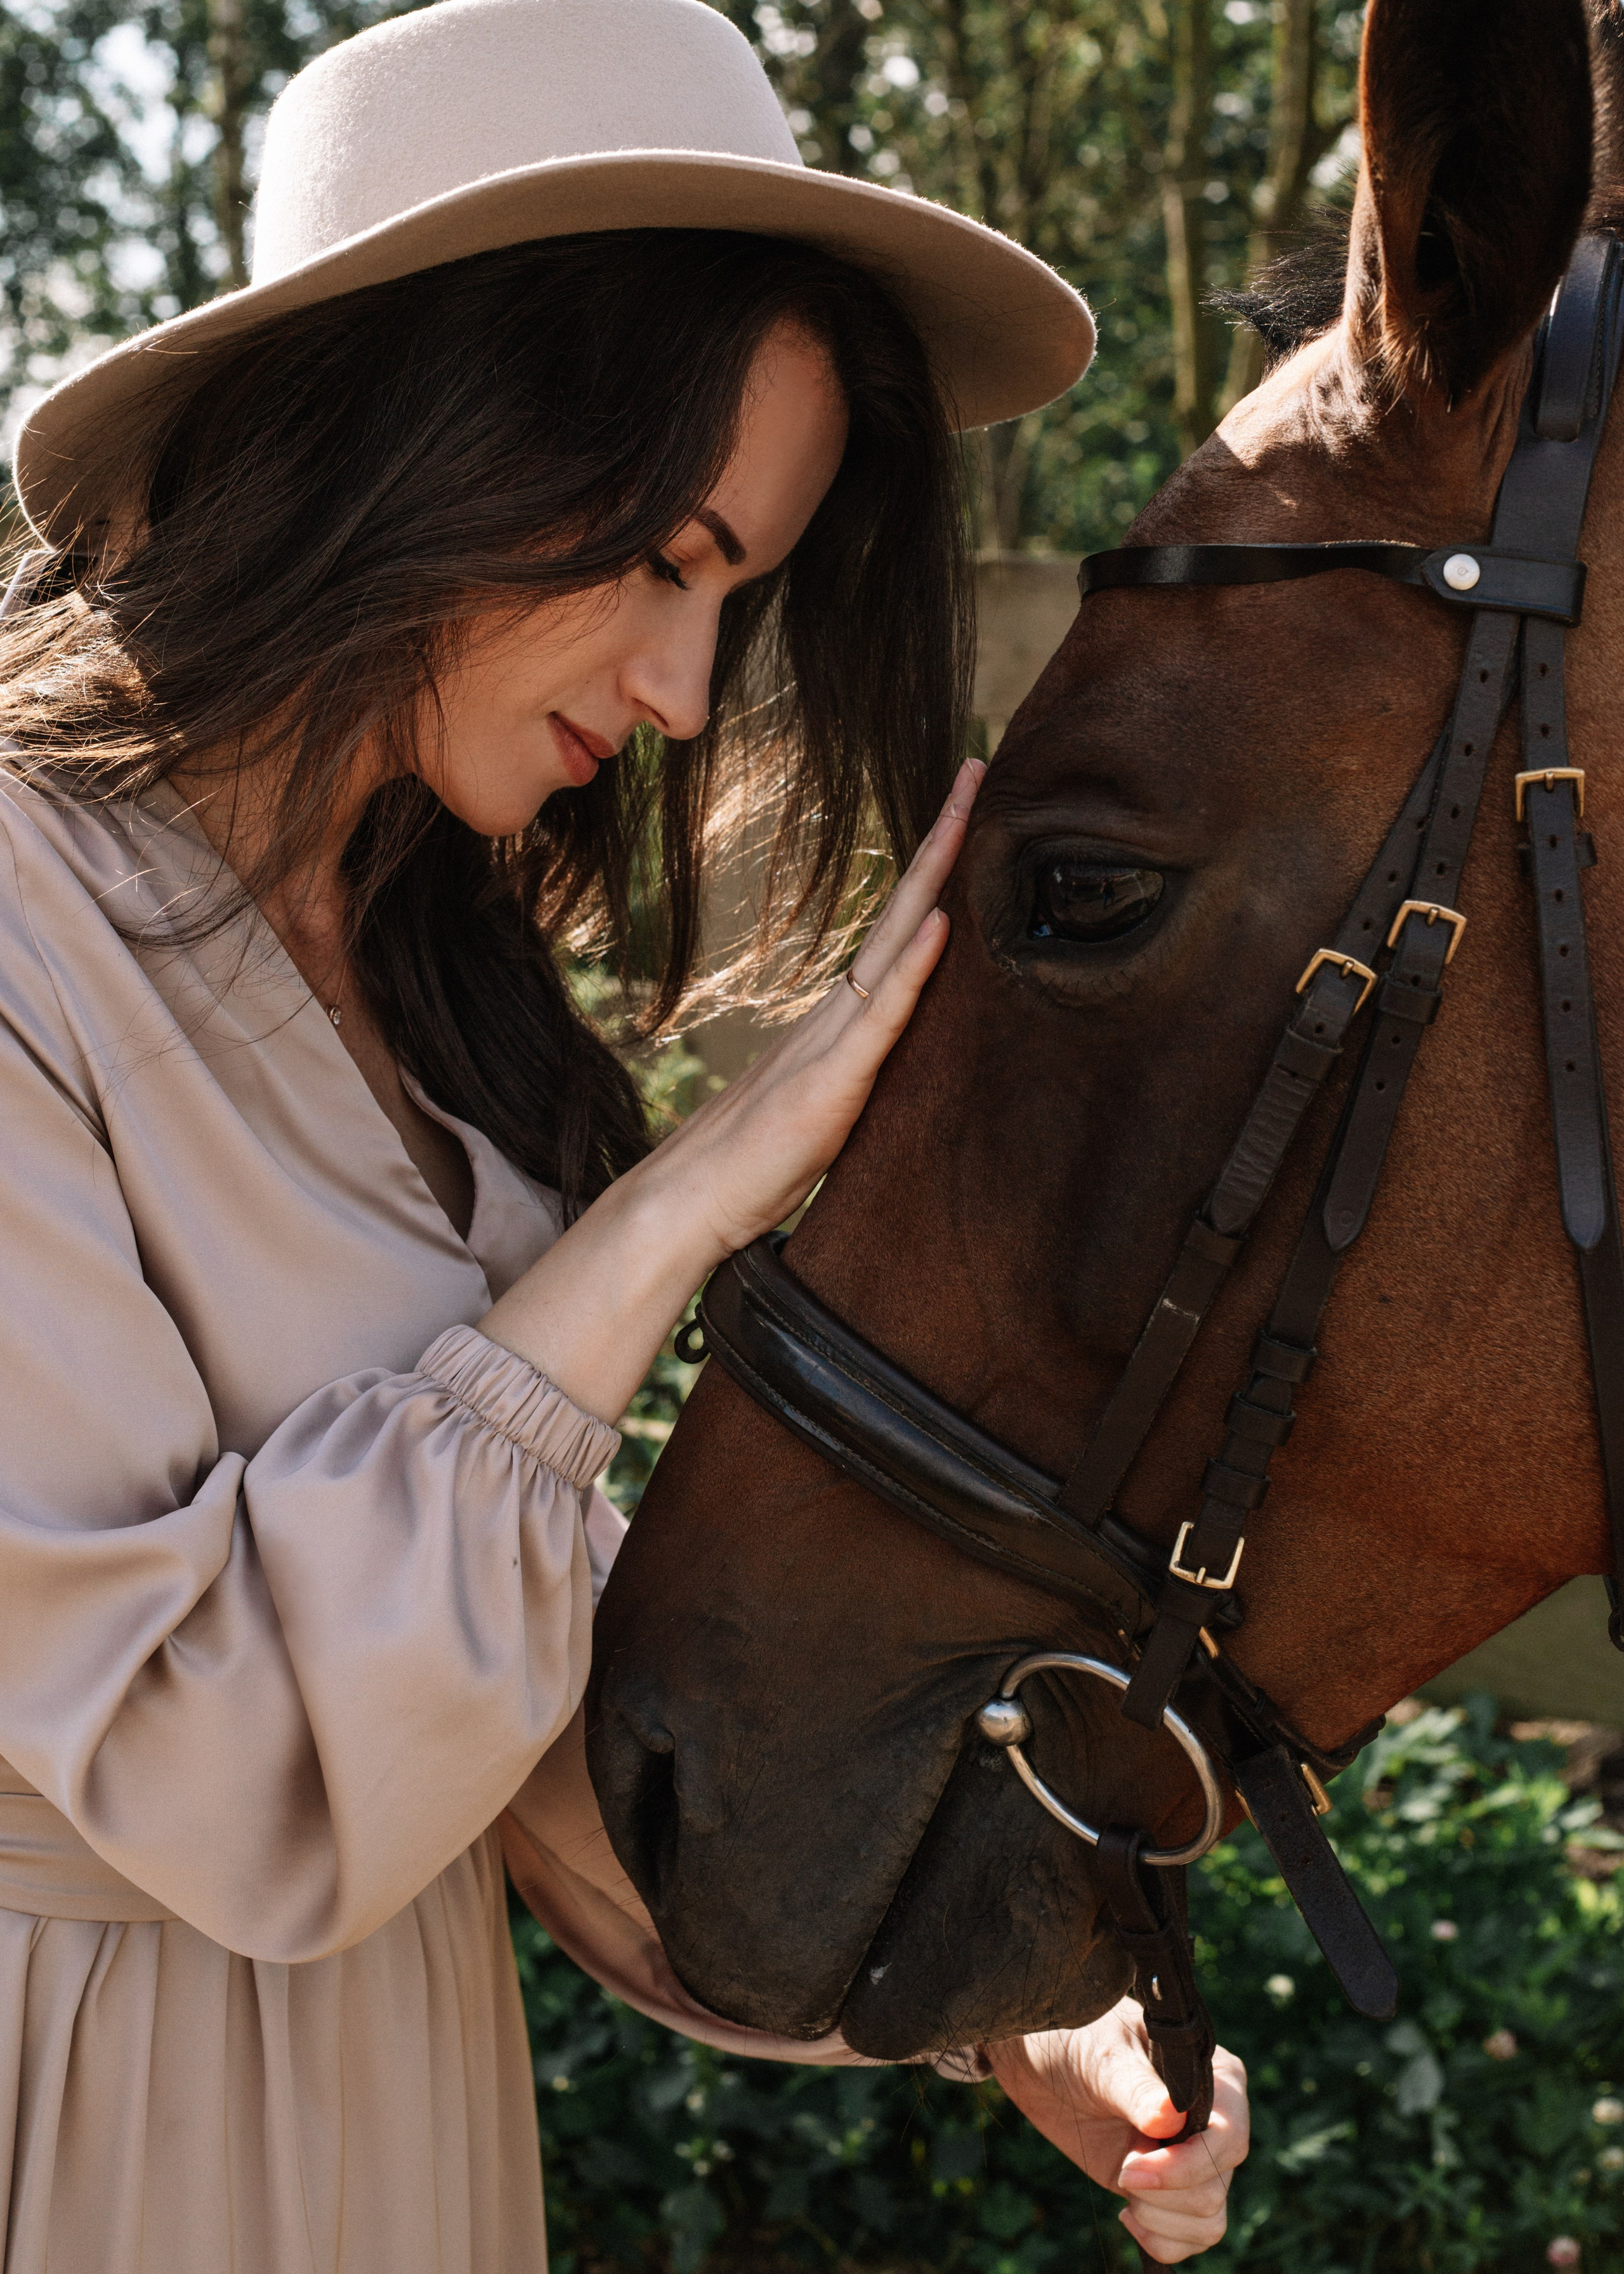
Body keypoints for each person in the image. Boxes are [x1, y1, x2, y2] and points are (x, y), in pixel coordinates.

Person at [0, 0, 1249, 2265]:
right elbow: (219, 1751)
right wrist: (677, 1210)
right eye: (663, 558)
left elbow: (494, 1739)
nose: (686, 694)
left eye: (740, 593)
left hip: (403, 2123)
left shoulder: (442, 1000)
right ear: (422, 445)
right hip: (76, 2123)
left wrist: (981, 2018)